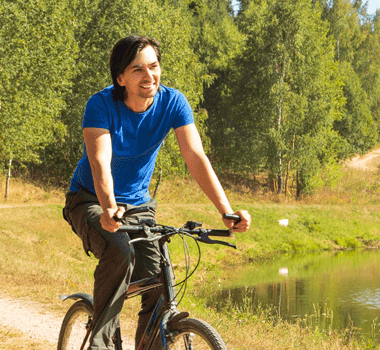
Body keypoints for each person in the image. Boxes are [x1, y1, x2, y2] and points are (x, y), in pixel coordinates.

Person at [62, 35, 250, 350]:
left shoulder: (173, 102)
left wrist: (226, 211)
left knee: (158, 280)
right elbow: (100, 161)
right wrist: (108, 207)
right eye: (137, 70)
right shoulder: (101, 105)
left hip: (138, 205)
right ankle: (100, 342)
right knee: (120, 251)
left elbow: (195, 159)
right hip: (90, 199)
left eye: (154, 66)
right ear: (120, 77)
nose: (149, 76)